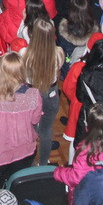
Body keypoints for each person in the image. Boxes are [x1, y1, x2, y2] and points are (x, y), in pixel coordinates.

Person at [0, 52, 42, 188]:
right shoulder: (34, 94)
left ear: (1, 72)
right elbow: (35, 120)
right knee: (18, 183)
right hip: (26, 152)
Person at [53, 102, 103, 205]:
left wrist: (58, 172)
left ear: (89, 124)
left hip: (87, 197)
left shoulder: (86, 151)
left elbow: (76, 177)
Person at [25, 18, 66, 165]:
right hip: (51, 92)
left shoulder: (26, 54)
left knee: (28, 129)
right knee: (46, 131)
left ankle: (29, 163)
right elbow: (59, 72)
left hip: (31, 93)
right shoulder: (59, 53)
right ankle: (43, 163)